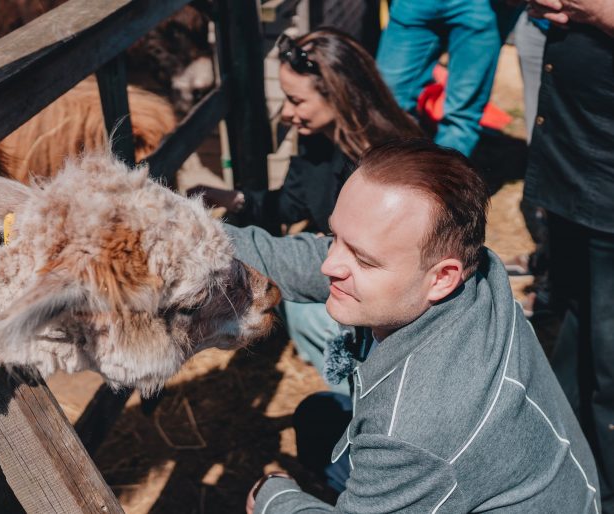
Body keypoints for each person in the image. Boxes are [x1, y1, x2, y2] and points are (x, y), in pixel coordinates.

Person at [227, 140, 600, 513]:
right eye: (334, 238)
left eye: (363, 260)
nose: (329, 265)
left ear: (442, 278)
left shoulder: (413, 427)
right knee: (319, 419)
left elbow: (413, 434)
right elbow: (311, 259)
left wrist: (274, 498)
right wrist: (207, 242)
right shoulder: (469, 269)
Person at [190, 28, 421, 394]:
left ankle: (366, 392)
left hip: (388, 300)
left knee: (300, 308)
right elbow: (291, 203)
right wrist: (229, 197)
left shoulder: (395, 162)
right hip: (342, 274)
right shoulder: (318, 143)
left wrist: (334, 244)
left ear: (338, 95)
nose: (286, 113)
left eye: (296, 100)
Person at [521, 0, 614, 510]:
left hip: (606, 176)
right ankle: (562, 476)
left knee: (609, 363)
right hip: (570, 155)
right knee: (574, 327)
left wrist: (595, 9)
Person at [375, 0, 522, 156]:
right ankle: (389, 164)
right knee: (387, 99)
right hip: (416, 4)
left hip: (483, 6)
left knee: (461, 114)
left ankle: (439, 170)